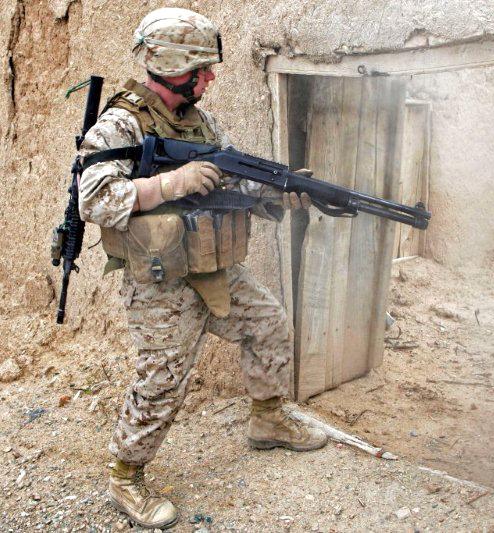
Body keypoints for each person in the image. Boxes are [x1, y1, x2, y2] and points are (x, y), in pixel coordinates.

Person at [78, 8, 327, 529]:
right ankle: (124, 475)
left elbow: (225, 182)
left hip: (210, 266)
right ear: (172, 65)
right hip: (160, 281)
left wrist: (283, 191)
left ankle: (267, 419)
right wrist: (169, 185)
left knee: (269, 324)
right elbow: (94, 199)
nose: (211, 77)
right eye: (202, 69)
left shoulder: (199, 120)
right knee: (164, 378)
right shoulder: (121, 122)